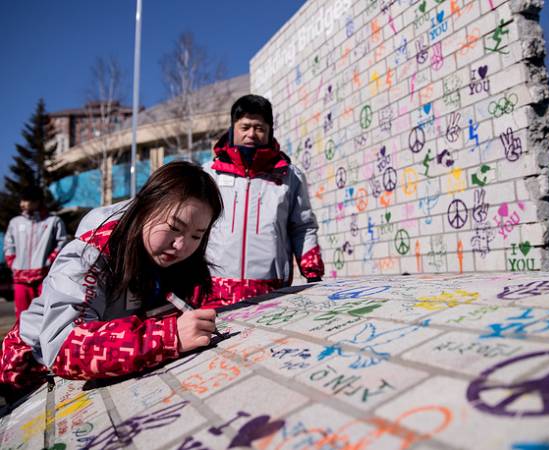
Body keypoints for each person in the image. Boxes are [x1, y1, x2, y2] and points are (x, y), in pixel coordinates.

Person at [0, 161, 223, 398]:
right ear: (146, 207)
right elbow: (64, 347)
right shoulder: (90, 253)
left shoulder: (172, 258)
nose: (181, 245)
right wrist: (168, 336)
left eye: (196, 236)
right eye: (174, 227)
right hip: (32, 369)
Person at [203, 94, 324, 306]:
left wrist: (312, 273)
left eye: (259, 128)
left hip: (271, 289)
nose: (252, 134)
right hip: (214, 290)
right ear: (233, 128)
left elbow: (303, 227)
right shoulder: (209, 174)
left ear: (270, 132)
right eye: (245, 127)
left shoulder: (290, 176)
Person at [3, 187, 67, 322]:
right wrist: (12, 262)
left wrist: (49, 261)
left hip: (44, 278)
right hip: (20, 278)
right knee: (22, 316)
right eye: (21, 200)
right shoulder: (15, 222)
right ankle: (22, 343)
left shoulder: (53, 221)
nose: (22, 204)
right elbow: (9, 245)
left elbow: (62, 243)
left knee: (46, 315)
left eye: (26, 200)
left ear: (37, 201)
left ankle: (43, 343)